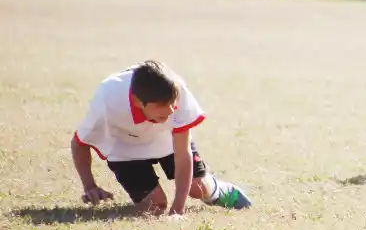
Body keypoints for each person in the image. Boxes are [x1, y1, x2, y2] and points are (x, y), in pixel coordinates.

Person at [71, 60, 252, 215]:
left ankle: (219, 190)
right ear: (137, 101)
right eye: (162, 105)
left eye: (172, 103)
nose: (171, 110)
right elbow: (79, 143)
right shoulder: (107, 98)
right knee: (155, 206)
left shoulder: (177, 90)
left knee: (197, 188)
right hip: (125, 149)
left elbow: (183, 153)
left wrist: (178, 210)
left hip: (168, 140)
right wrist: (90, 186)